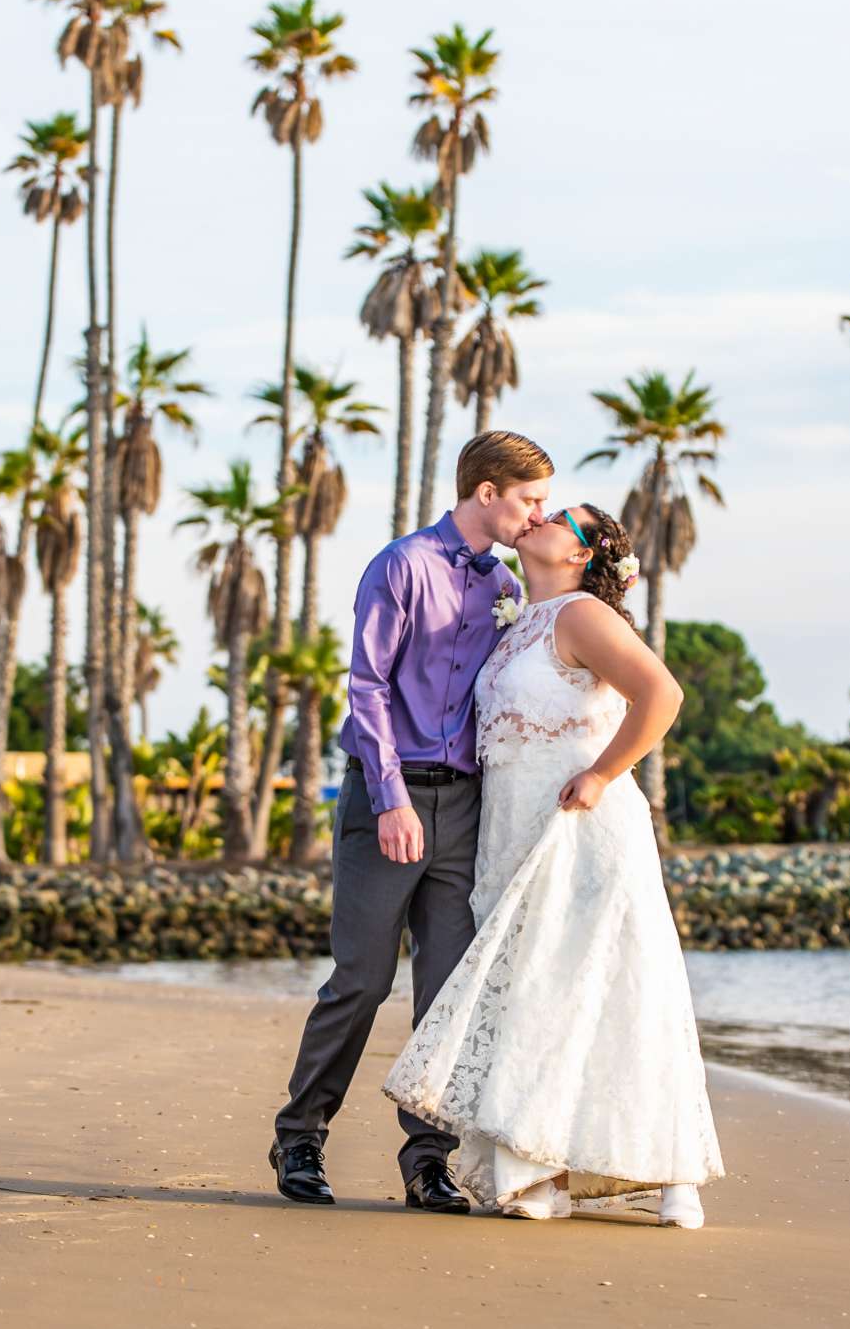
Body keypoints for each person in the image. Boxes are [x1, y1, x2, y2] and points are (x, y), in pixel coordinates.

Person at [384, 504, 724, 1228]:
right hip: (511, 826)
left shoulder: (582, 614)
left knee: (607, 988)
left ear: (582, 554)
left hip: (582, 824)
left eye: (562, 516)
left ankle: (667, 1174)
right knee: (534, 990)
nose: (540, 514)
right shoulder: (520, 620)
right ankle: (541, 1172)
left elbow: (662, 695)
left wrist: (603, 775)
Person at [269, 432, 554, 1212]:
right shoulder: (401, 566)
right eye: (530, 499)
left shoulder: (504, 583)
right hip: (385, 795)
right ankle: (300, 1136)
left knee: (444, 993)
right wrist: (391, 798)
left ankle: (427, 1160)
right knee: (361, 981)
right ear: (486, 492)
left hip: (465, 805)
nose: (539, 515)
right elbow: (366, 688)